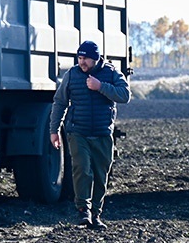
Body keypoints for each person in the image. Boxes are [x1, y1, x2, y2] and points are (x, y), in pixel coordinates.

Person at [49, 40, 130, 229]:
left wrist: (100, 86)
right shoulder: (72, 75)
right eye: (79, 57)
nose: (82, 62)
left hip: (102, 133)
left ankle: (96, 214)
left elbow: (125, 95)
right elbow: (60, 102)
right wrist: (54, 131)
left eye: (85, 58)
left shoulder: (110, 73)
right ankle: (83, 211)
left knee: (101, 175)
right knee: (82, 169)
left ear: (96, 58)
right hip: (78, 132)